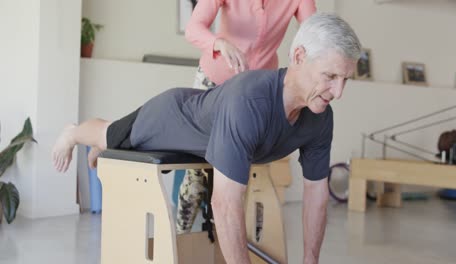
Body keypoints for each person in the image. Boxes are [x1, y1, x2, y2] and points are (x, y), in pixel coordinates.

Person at [52, 14, 361, 264]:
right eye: (331, 77)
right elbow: (225, 203)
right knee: (110, 134)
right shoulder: (251, 100)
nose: (339, 92)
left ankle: (102, 148)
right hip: (172, 117)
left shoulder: (320, 115)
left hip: (213, 122)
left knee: (111, 141)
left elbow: (317, 196)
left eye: (346, 79)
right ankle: (74, 132)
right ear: (298, 56)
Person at [178, 0, 318, 234]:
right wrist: (218, 42)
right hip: (213, 81)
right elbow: (193, 28)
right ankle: (179, 241)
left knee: (252, 173)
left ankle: (246, 248)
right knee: (197, 173)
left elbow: (316, 33)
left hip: (258, 92)